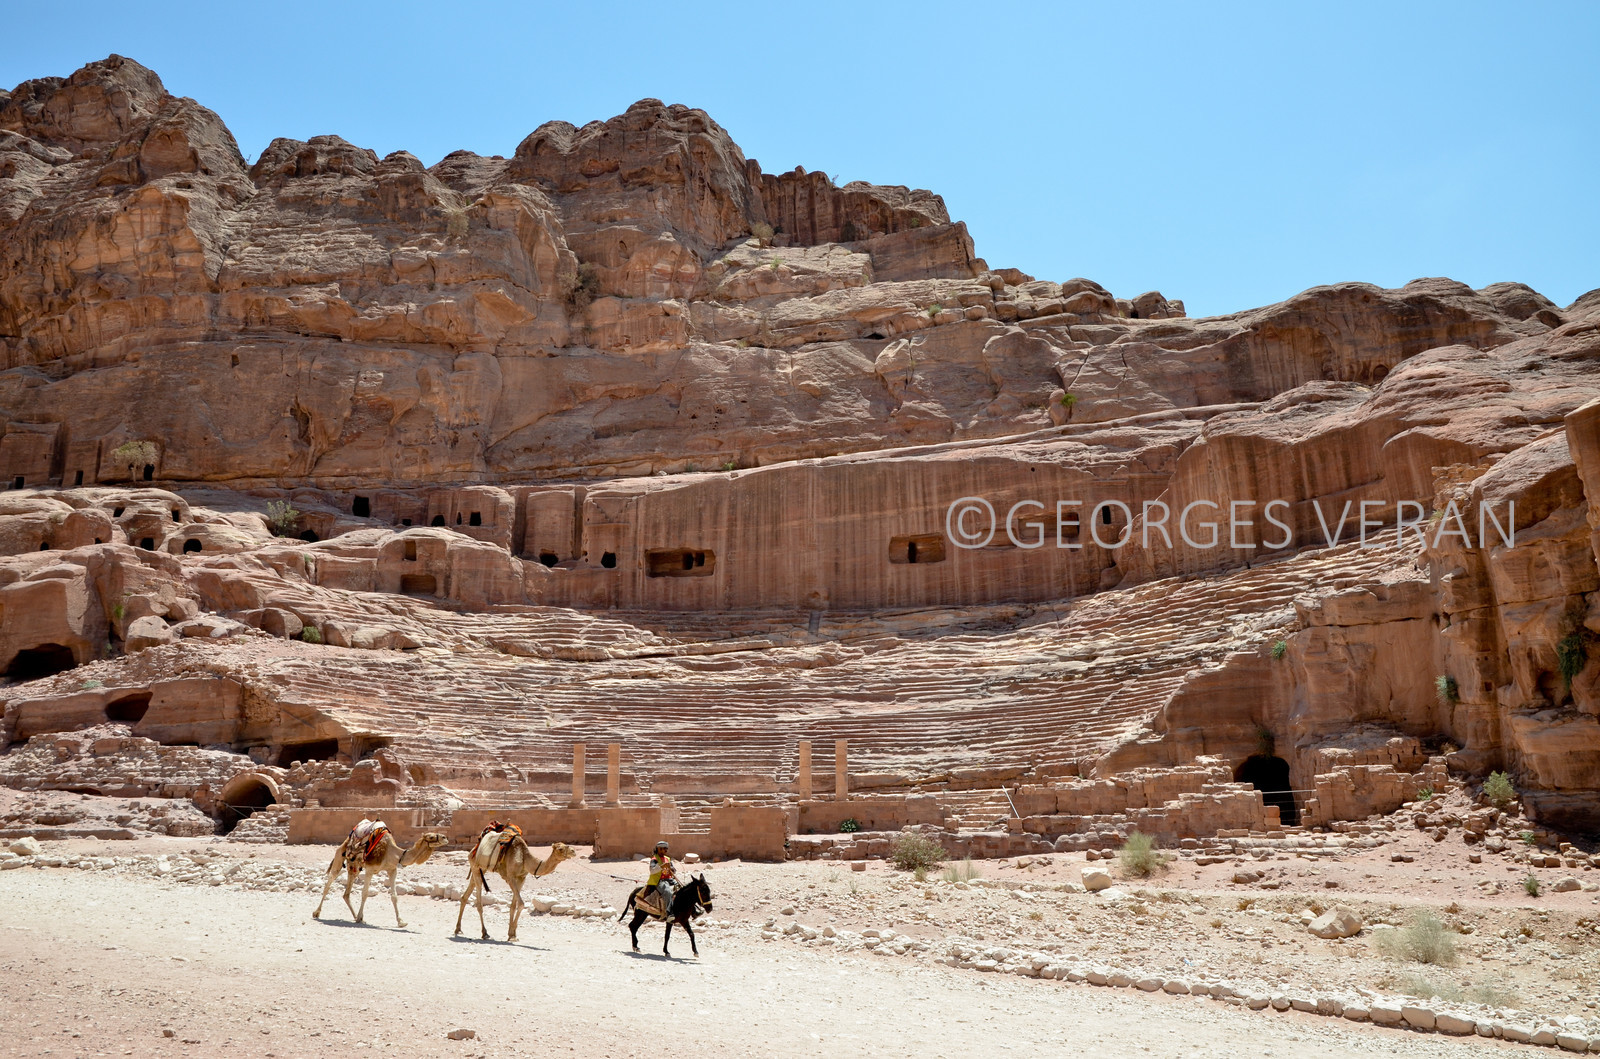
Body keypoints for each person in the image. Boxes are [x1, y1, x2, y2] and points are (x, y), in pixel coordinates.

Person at [646, 839, 677, 913]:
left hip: (669, 879)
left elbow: (674, 870)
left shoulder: (667, 859)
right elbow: (652, 870)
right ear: (659, 849)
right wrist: (662, 866)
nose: (666, 850)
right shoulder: (654, 859)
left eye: (666, 849)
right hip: (659, 881)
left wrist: (672, 869)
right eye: (664, 849)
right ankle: (669, 912)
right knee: (668, 892)